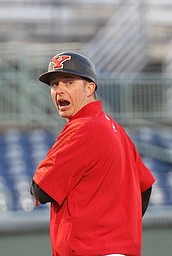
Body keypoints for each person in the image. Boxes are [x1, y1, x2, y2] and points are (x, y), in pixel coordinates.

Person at [30, 51, 155, 256]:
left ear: (90, 88)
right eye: (54, 84)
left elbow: (40, 189)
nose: (59, 90)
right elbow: (145, 190)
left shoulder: (82, 128)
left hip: (90, 250)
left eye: (68, 82)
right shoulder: (115, 129)